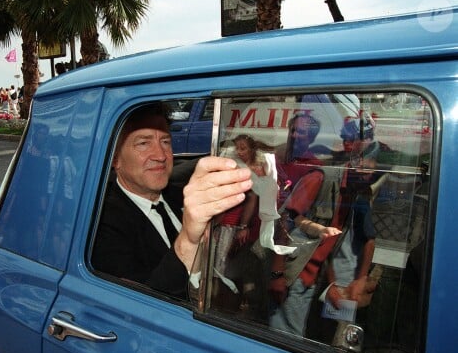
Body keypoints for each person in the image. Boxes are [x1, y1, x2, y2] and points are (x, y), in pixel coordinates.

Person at [92, 102, 253, 299]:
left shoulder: (181, 195)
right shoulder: (100, 225)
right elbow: (147, 308)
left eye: (166, 142)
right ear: (115, 159)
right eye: (143, 143)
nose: (161, 155)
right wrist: (188, 239)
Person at [268, 116, 379, 338]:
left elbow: (330, 245)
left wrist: (334, 283)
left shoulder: (354, 194)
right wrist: (277, 274)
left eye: (372, 174)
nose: (368, 177)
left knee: (298, 335)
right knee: (286, 338)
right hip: (293, 273)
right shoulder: (321, 177)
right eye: (365, 170)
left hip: (312, 279)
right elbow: (283, 220)